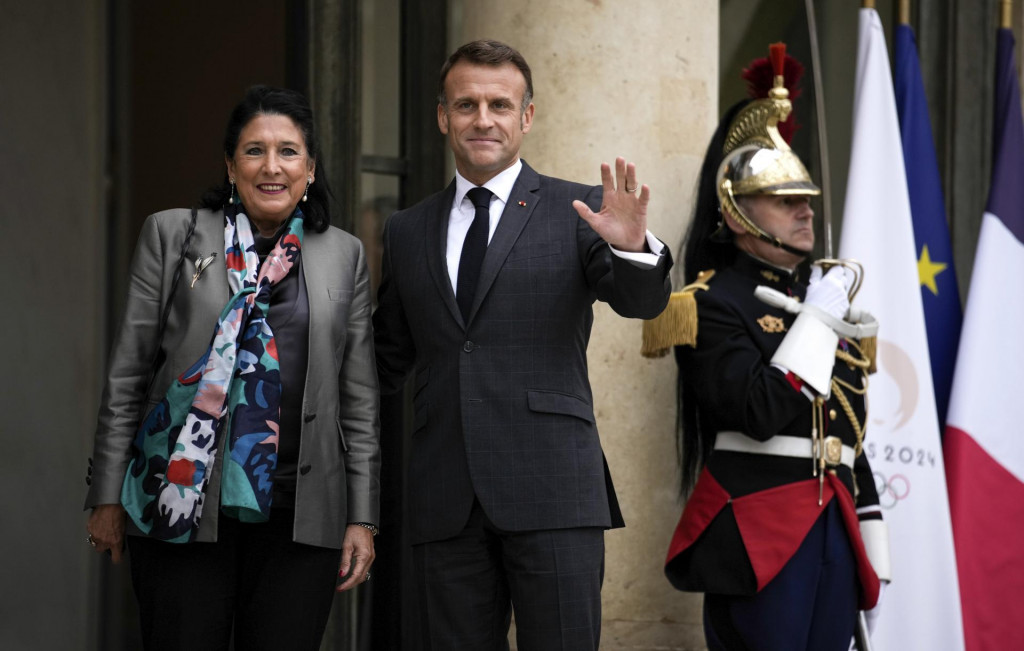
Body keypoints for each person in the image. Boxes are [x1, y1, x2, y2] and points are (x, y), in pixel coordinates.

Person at [373, 40, 672, 649]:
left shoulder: (580, 209)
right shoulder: (406, 229)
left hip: (553, 491)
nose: (483, 119)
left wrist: (635, 250)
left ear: (526, 117)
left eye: (500, 105)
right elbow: (383, 359)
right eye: (466, 104)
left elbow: (641, 303)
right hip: (444, 500)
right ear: (442, 116)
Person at [84, 85, 380, 651]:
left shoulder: (343, 253)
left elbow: (359, 400)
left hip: (301, 514)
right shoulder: (172, 235)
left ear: (311, 168)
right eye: (254, 150)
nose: (272, 166)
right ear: (229, 163)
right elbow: (128, 374)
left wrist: (362, 517)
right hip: (183, 501)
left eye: (289, 151)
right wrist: (104, 493)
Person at [645, 47, 891, 650]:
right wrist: (817, 324)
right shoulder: (709, 303)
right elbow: (757, 410)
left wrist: (872, 542)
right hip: (758, 525)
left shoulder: (821, 295)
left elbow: (847, 431)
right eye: (786, 201)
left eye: (805, 197)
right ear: (735, 212)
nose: (806, 210)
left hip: (833, 519)